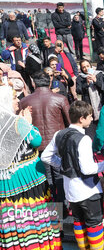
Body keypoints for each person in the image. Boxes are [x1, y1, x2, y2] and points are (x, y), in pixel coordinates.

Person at [41, 101, 104, 250]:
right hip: (88, 190)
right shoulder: (84, 139)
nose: (92, 119)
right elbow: (87, 169)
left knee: (78, 221)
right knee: (95, 224)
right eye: (90, 116)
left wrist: (62, 164)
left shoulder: (59, 133)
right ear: (81, 118)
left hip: (70, 189)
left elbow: (45, 157)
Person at [0, 86, 62, 250]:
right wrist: (28, 124)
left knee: (13, 217)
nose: (18, 101)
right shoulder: (17, 122)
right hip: (30, 178)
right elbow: (36, 140)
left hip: (6, 184)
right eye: (14, 98)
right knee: (40, 212)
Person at [19, 71, 71, 213]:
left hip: (36, 146)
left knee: (45, 178)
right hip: (57, 145)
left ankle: (52, 212)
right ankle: (62, 210)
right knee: (59, 176)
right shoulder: (60, 99)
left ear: (33, 83)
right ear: (49, 82)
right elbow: (70, 123)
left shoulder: (25, 101)